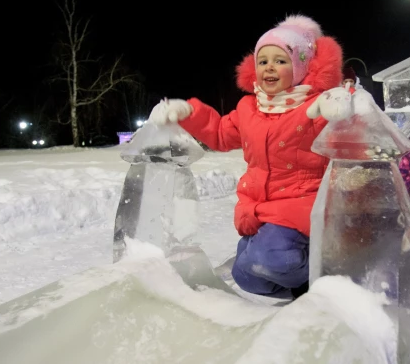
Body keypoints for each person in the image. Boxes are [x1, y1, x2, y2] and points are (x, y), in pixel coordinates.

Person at [148, 15, 364, 297]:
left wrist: (342, 103)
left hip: (300, 205)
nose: (269, 67)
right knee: (245, 276)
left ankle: (331, 272)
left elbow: (350, 136)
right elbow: (222, 134)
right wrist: (189, 113)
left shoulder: (315, 106)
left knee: (268, 261)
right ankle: (304, 283)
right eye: (263, 61)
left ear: (300, 67)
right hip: (258, 208)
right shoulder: (249, 108)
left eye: (280, 60)